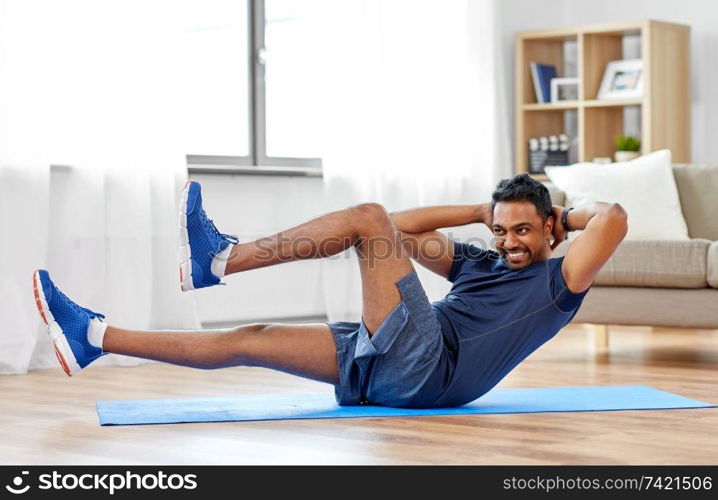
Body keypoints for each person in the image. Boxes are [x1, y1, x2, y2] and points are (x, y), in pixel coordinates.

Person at [32, 174, 628, 408]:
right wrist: (480, 211)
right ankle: (93, 337)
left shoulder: (558, 284)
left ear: (549, 227)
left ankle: (220, 260)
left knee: (363, 216)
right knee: (250, 339)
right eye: (500, 231)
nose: (509, 241)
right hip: (393, 366)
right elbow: (399, 227)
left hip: (428, 365)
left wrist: (560, 214)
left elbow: (615, 218)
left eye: (523, 229)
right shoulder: (479, 263)